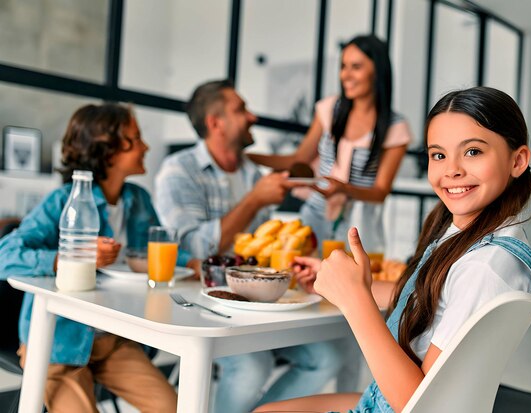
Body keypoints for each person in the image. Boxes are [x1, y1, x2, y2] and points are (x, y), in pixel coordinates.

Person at [254, 86, 531, 413]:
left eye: (473, 151)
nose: (452, 170)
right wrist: (351, 285)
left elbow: (420, 405)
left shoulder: (485, 267)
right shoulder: (478, 241)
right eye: (438, 155)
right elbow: (430, 298)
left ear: (518, 160)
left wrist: (355, 301)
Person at [154, 79, 344, 413]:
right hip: (204, 303)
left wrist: (320, 204)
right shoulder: (177, 171)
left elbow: (262, 248)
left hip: (258, 303)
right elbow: (193, 248)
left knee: (326, 358)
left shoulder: (254, 173)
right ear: (216, 123)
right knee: (253, 366)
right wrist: (253, 202)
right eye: (241, 109)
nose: (252, 116)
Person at [0, 102, 200, 412]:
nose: (146, 146)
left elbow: (152, 251)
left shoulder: (138, 199)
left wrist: (191, 262)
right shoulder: (62, 201)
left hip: (113, 339)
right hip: (57, 341)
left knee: (176, 408)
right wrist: (74, 256)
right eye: (136, 138)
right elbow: (5, 256)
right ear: (107, 150)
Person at [248, 34, 412, 254]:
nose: (346, 75)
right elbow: (298, 158)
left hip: (359, 227)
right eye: (343, 66)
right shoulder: (329, 109)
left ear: (378, 71)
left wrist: (344, 189)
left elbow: (380, 191)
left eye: (356, 67)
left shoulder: (395, 127)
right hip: (314, 217)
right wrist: (247, 157)